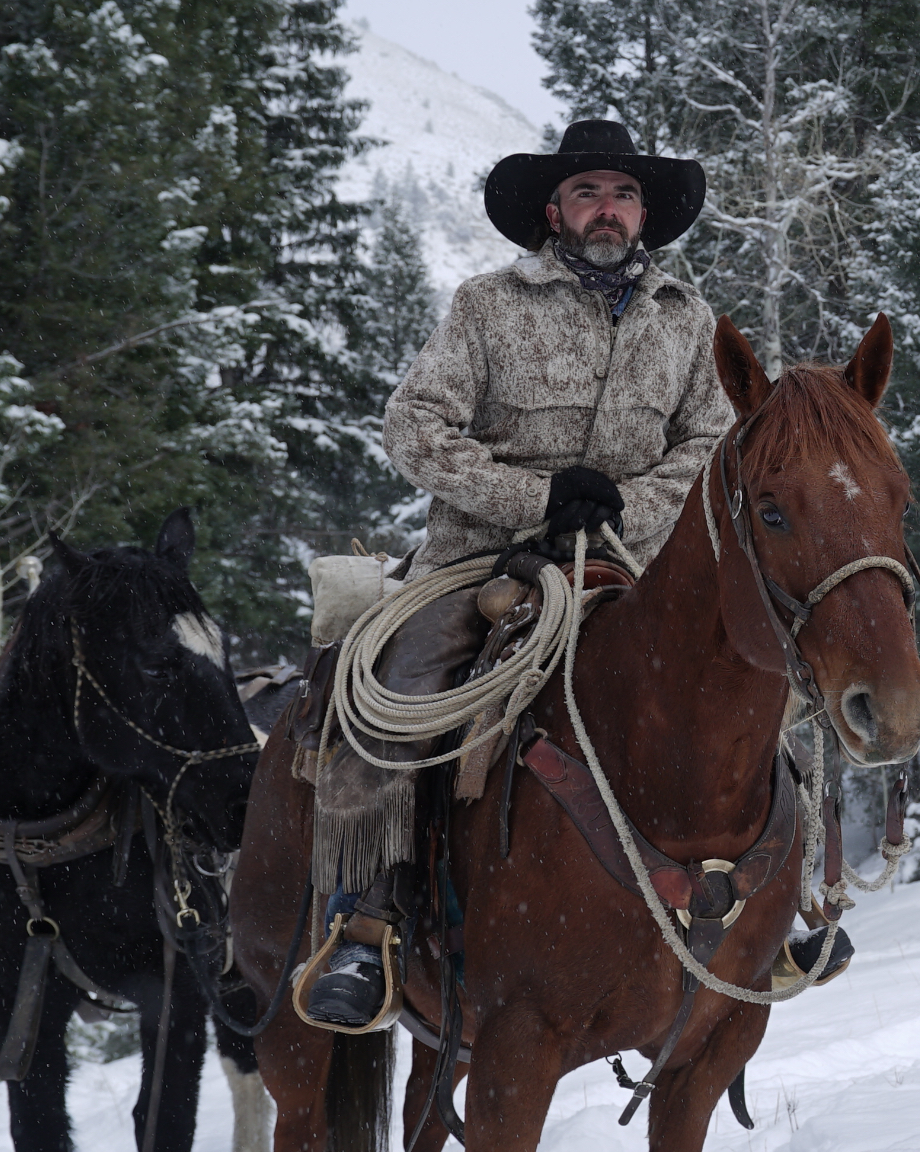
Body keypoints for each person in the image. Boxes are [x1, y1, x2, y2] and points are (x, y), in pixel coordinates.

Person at [302, 120, 736, 1026]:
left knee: (752, 670)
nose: (605, 208)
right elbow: (413, 427)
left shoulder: (688, 322)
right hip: (482, 562)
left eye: (621, 193)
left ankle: (776, 895)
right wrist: (538, 498)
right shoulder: (487, 305)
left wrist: (621, 506)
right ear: (554, 211)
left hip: (631, 564)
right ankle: (365, 924)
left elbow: (710, 440)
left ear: (643, 212)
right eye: (587, 193)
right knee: (400, 684)